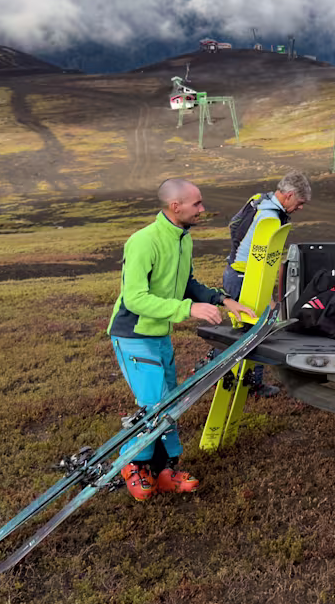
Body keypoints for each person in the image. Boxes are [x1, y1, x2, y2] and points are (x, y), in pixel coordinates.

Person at [108, 178, 251, 501]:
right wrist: (189, 309)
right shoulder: (144, 241)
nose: (202, 209)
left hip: (159, 334)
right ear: (176, 207)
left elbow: (186, 283)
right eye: (197, 204)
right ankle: (133, 465)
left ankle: (164, 471)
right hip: (133, 335)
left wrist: (222, 300)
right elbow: (135, 299)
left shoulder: (182, 239)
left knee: (170, 402)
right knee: (155, 405)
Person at [220, 171, 311, 300]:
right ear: (289, 195)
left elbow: (234, 224)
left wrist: (237, 249)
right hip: (246, 278)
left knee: (240, 319)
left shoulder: (258, 200)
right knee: (253, 319)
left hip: (232, 271)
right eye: (300, 202)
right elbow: (265, 260)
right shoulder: (271, 219)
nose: (301, 207)